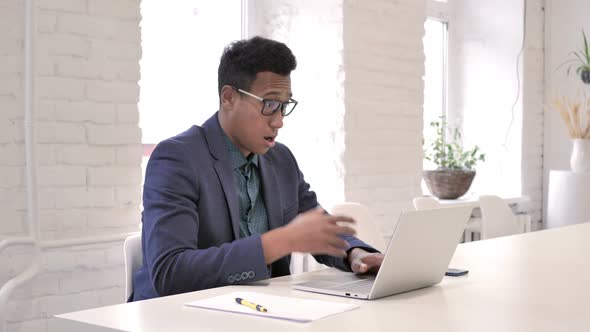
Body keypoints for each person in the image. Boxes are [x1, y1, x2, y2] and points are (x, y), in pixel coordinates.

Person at [132, 36, 384, 301]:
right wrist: (280, 241)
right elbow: (170, 273)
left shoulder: (281, 159)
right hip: (178, 317)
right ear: (228, 97)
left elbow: (318, 226)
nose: (278, 122)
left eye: (284, 106)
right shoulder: (177, 158)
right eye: (269, 104)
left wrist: (356, 254)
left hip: (260, 312)